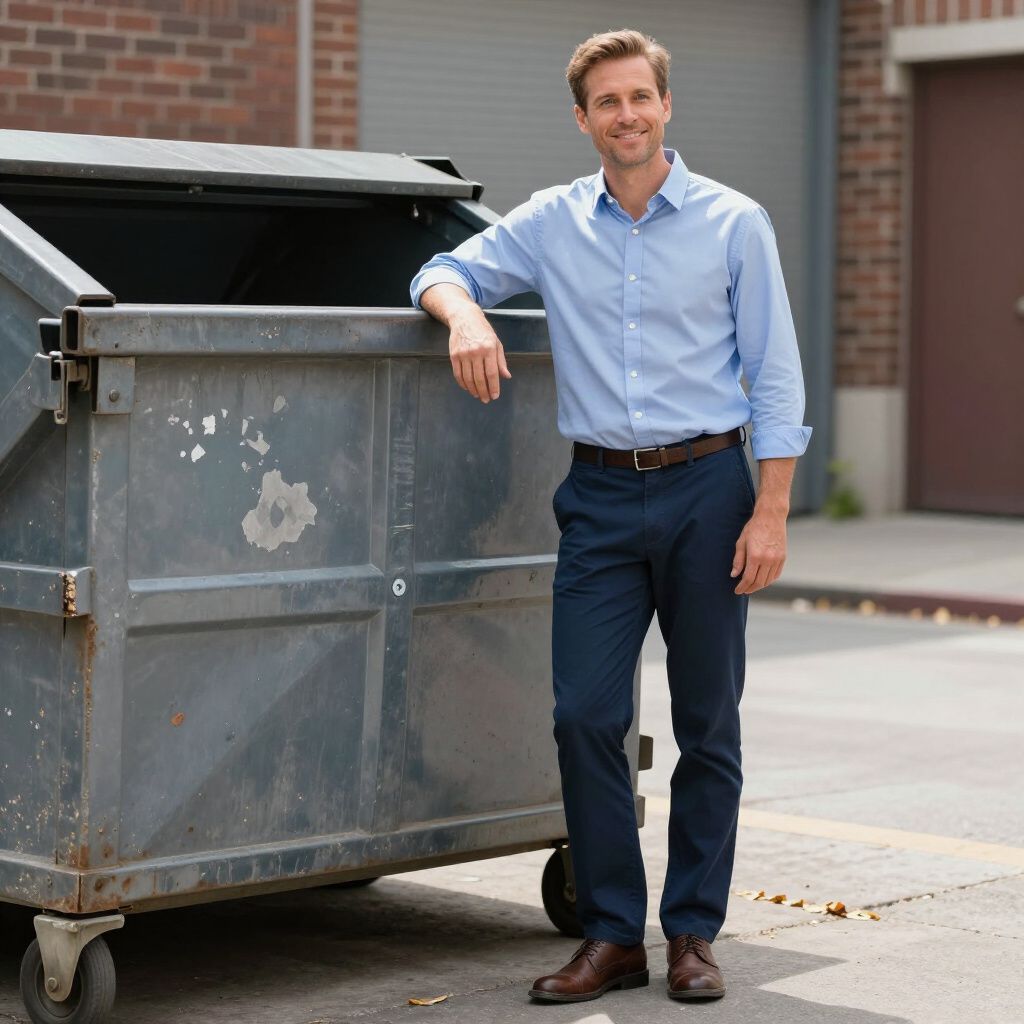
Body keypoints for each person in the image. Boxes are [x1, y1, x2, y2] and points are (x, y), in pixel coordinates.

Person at [410, 27, 811, 1005]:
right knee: (584, 713)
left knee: (707, 721)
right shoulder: (552, 222)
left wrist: (769, 511)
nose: (626, 115)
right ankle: (609, 934)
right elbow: (437, 267)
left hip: (711, 490)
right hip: (596, 495)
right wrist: (462, 312)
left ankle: (689, 934)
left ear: (664, 105)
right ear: (583, 118)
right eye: (607, 102)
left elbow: (776, 375)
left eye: (640, 97)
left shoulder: (733, 222)